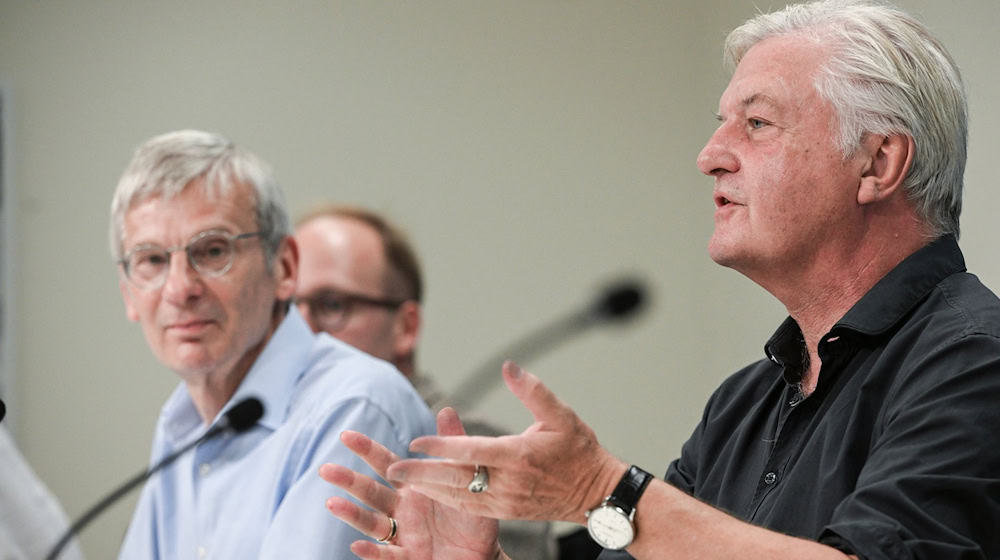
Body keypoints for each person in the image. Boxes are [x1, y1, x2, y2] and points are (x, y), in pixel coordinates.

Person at [318, 1, 1000, 558]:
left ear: (878, 164)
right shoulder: (745, 400)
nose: (709, 156)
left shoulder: (975, 361)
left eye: (757, 123)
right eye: (721, 125)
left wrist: (600, 487)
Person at [109, 130, 435, 559]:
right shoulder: (181, 422)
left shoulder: (355, 403)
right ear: (129, 294)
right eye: (151, 259)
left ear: (284, 267)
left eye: (211, 251)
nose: (180, 288)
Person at [295, 205, 556, 559]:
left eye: (332, 304)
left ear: (406, 327)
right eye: (286, 311)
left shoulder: (487, 457)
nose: (302, 332)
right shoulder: (273, 444)